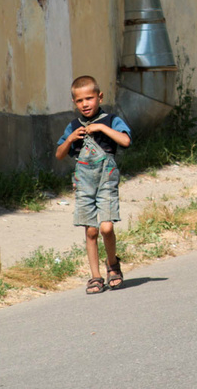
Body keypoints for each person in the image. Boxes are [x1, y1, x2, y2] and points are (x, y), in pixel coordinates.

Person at [56, 76, 132, 294]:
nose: (85, 104)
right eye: (79, 101)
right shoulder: (73, 126)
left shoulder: (111, 120)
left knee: (106, 227)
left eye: (89, 98)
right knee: (91, 230)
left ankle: (113, 265)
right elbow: (59, 154)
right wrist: (70, 139)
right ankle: (95, 276)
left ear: (99, 97)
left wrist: (101, 128)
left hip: (106, 180)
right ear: (74, 102)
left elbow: (126, 141)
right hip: (84, 184)